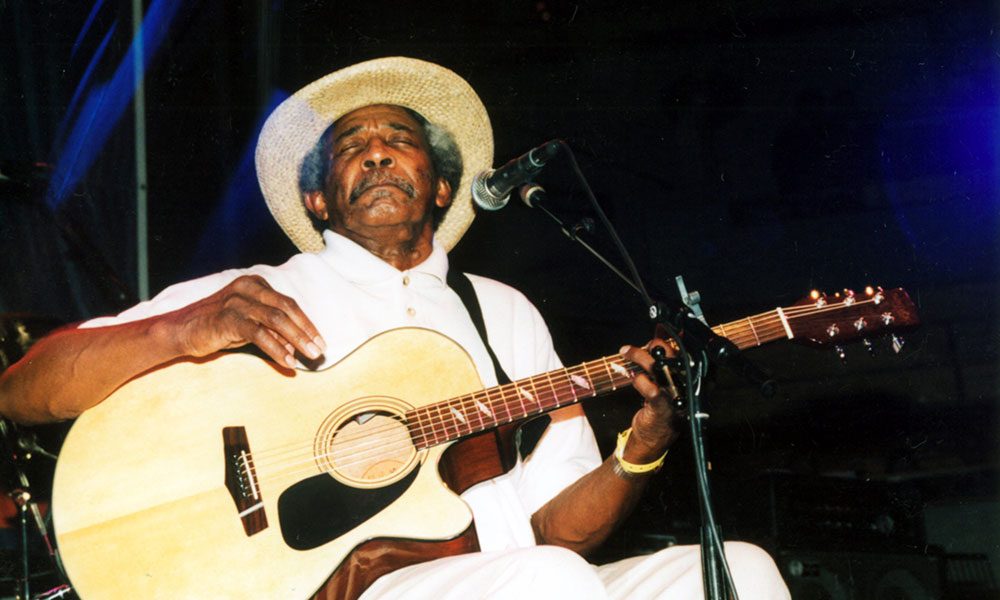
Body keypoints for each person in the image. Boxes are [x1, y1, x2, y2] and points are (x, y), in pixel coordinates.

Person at [0, 57, 789, 599]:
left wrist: (642, 446)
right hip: (354, 586)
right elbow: (22, 390)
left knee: (739, 572)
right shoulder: (257, 296)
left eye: (399, 142)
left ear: (442, 185)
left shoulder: (503, 311)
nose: (377, 156)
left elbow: (556, 529)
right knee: (549, 584)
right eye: (352, 149)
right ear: (317, 200)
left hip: (509, 575)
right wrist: (183, 330)